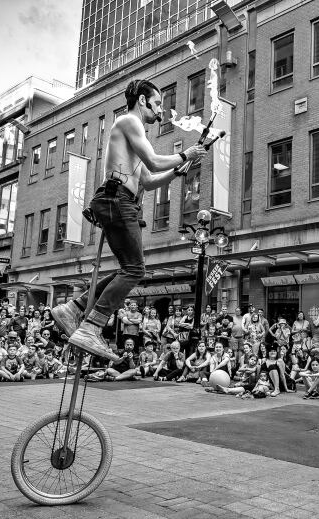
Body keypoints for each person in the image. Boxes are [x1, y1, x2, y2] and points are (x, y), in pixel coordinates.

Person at [50, 79, 207, 361]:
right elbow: (155, 161)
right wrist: (186, 153)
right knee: (135, 270)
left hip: (118, 200)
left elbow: (148, 179)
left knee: (129, 268)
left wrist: (179, 171)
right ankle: (92, 327)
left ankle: (74, 309)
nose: (160, 112)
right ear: (142, 101)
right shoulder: (129, 121)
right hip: (118, 200)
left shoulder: (134, 135)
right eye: (158, 104)